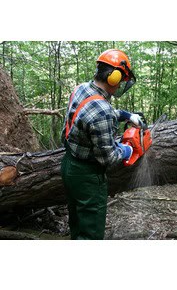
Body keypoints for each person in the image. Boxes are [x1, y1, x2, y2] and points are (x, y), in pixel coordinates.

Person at [60, 49, 142, 240]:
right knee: (91, 234)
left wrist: (127, 116)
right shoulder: (102, 111)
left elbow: (92, 110)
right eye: (121, 79)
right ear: (113, 77)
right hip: (88, 176)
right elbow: (109, 158)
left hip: (69, 165)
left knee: (77, 224)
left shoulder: (82, 88)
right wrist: (128, 149)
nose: (121, 84)